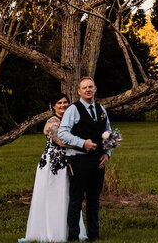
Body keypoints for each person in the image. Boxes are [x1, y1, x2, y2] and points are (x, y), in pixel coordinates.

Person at [21, 92, 85, 242]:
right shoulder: (52, 122)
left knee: (68, 195)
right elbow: (61, 141)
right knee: (53, 195)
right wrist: (84, 145)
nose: (63, 105)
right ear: (53, 106)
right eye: (59, 103)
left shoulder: (70, 120)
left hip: (69, 161)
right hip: (53, 163)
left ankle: (70, 231)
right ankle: (52, 232)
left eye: (65, 102)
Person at [58, 76, 112, 242]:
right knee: (76, 199)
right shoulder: (73, 109)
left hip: (98, 161)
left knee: (94, 200)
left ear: (95, 88)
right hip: (78, 160)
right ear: (79, 91)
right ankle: (73, 236)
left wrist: (107, 153)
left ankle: (94, 235)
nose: (88, 90)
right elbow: (62, 133)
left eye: (90, 87)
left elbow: (109, 132)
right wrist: (83, 143)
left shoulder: (101, 110)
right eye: (84, 88)